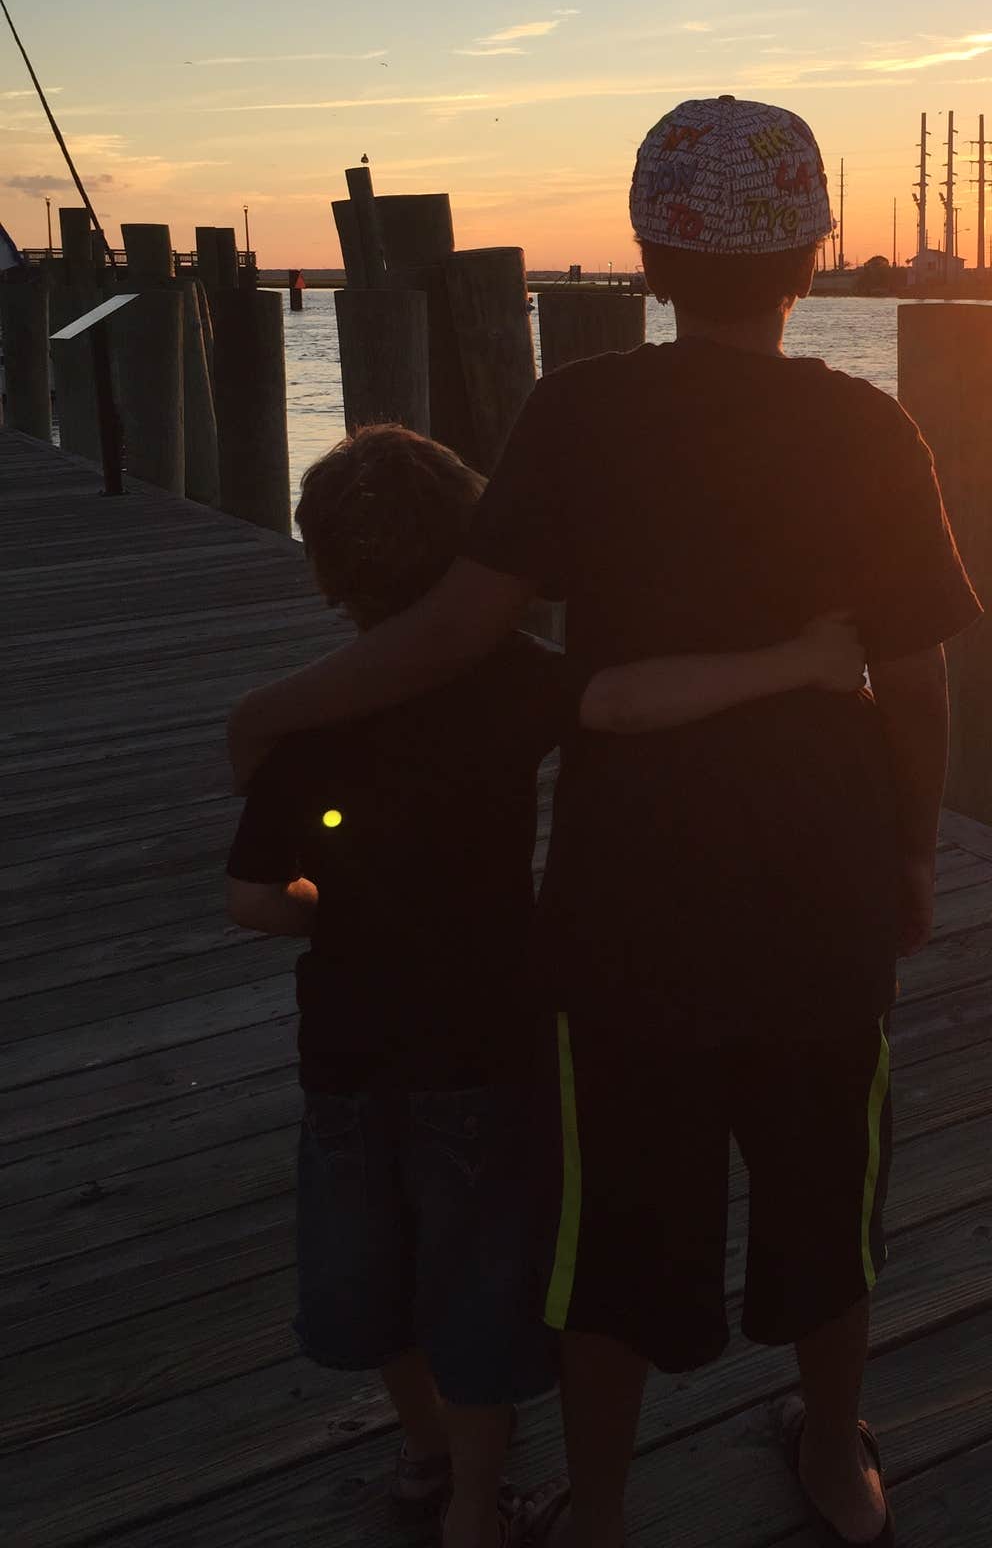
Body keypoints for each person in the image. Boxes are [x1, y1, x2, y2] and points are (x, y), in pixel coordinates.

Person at [229, 96, 979, 1548]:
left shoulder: (579, 410)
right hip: (822, 895)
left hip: (628, 908)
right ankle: (836, 1463)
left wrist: (279, 708)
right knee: (828, 1197)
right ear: (812, 259)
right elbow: (919, 682)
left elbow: (458, 626)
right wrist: (913, 852)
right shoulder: (871, 428)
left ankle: (607, 1511)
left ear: (646, 259)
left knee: (613, 1226)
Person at [225, 420, 870, 1548]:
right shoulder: (514, 676)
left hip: (342, 1048)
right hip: (485, 1040)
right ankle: (478, 1507)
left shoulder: (308, 720)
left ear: (327, 573)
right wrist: (796, 661)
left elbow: (253, 899)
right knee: (481, 1274)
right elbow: (628, 701)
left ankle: (424, 1451)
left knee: (375, 1262)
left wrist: (325, 908)